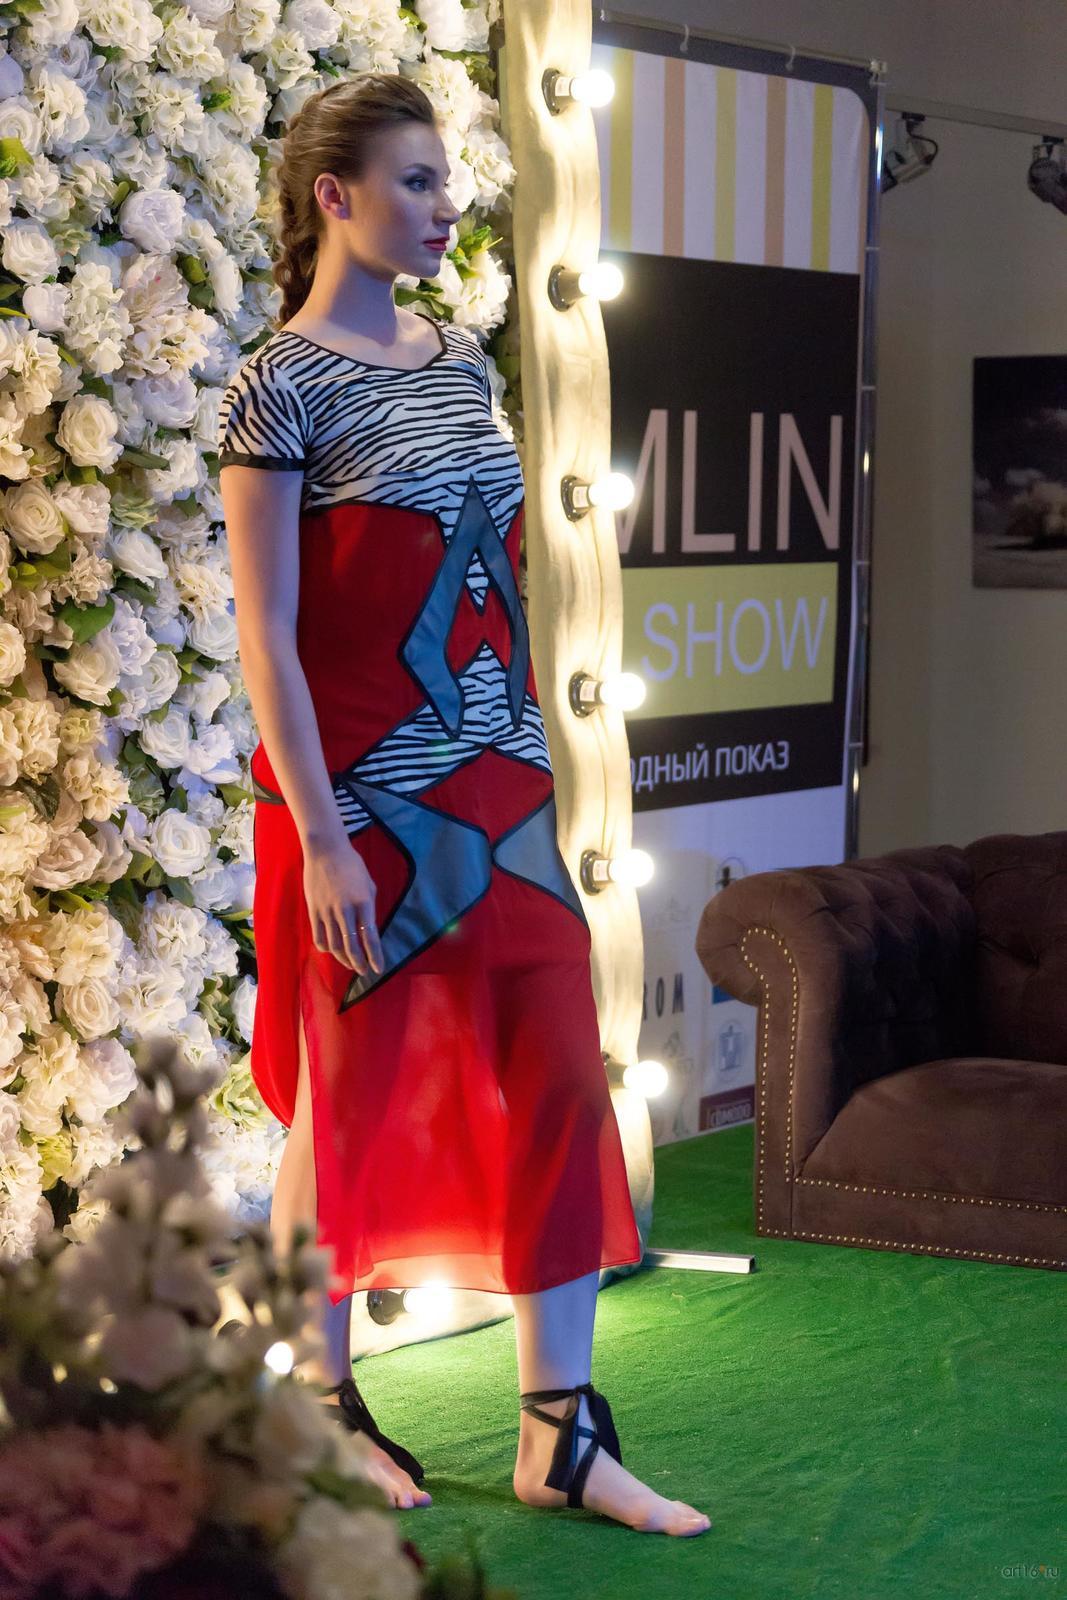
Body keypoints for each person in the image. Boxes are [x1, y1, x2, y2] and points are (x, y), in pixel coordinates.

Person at [217, 71, 711, 1538]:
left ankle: (562, 1431)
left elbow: (489, 578)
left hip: (501, 782)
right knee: (349, 1099)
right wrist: (322, 838)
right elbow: (268, 639)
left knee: (560, 1066)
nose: (447, 208)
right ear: (335, 198)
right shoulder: (276, 385)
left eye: (448, 181)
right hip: (361, 798)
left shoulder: (457, 361)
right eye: (419, 181)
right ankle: (316, 1415)